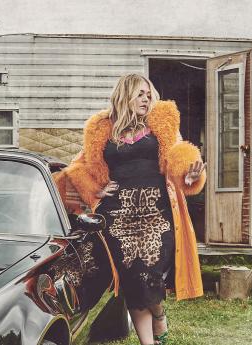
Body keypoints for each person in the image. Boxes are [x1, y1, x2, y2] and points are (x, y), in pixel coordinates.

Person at [54, 73, 206, 345]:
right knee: (132, 280)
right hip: (118, 216)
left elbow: (178, 155)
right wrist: (94, 190)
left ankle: (159, 313)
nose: (146, 98)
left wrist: (190, 176)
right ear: (126, 96)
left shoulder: (163, 122)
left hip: (156, 215)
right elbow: (80, 166)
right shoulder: (102, 128)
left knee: (150, 278)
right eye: (140, 94)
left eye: (149, 94)